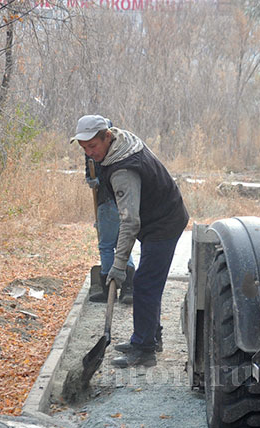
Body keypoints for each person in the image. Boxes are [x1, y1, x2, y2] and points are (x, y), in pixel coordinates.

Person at [71, 114, 188, 368]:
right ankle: (150, 337)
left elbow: (130, 222)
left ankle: (144, 350)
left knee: (145, 284)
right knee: (149, 281)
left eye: (93, 146)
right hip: (156, 216)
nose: (90, 153)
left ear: (108, 136)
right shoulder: (121, 143)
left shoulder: (123, 169)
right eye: (85, 149)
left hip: (163, 222)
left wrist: (118, 265)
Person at [85, 138, 135, 304]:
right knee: (123, 242)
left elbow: (92, 170)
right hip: (125, 201)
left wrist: (92, 179)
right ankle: (128, 289)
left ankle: (109, 292)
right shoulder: (121, 147)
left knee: (106, 246)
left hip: (108, 201)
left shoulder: (95, 152)